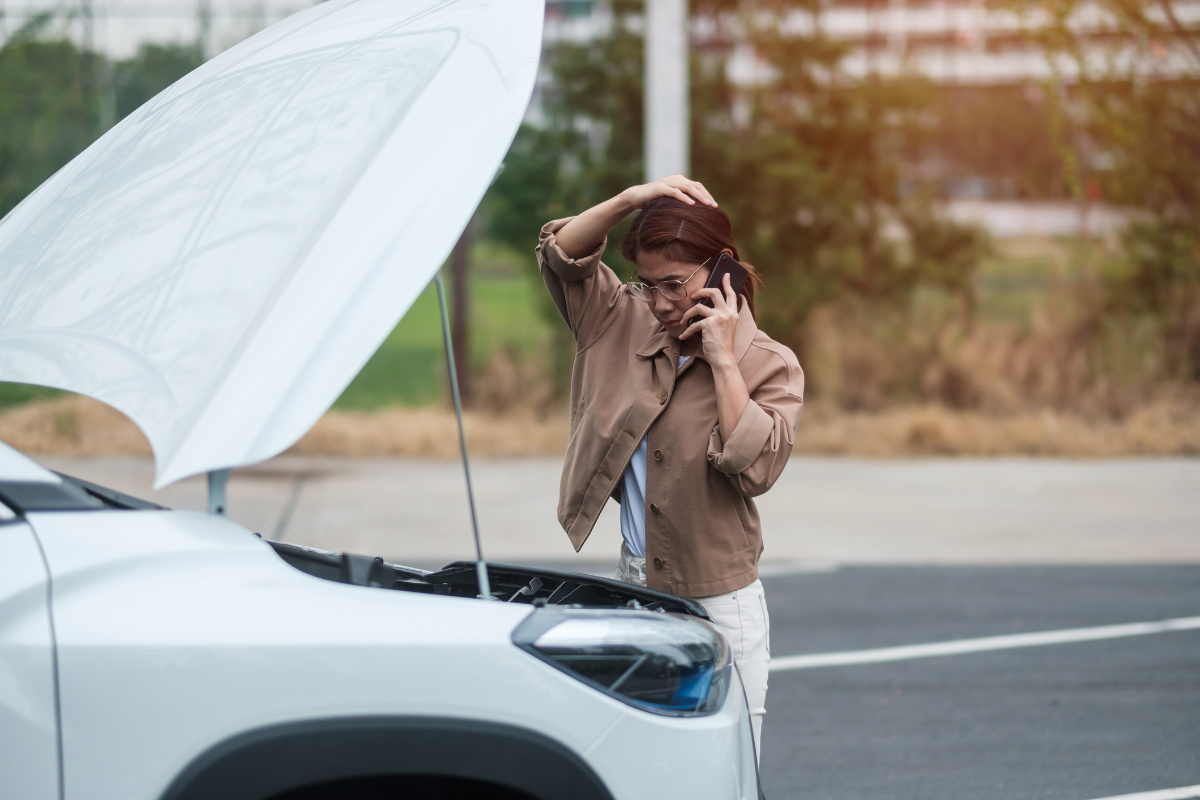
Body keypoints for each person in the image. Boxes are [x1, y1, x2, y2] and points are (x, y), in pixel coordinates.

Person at [535, 174, 804, 757]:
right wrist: (636, 199)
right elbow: (564, 256)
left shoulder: (771, 365)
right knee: (641, 768)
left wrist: (723, 362)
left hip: (720, 606)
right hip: (634, 593)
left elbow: (755, 468)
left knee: (728, 772)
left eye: (674, 285)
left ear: (723, 272)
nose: (658, 303)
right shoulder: (617, 320)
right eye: (647, 284)